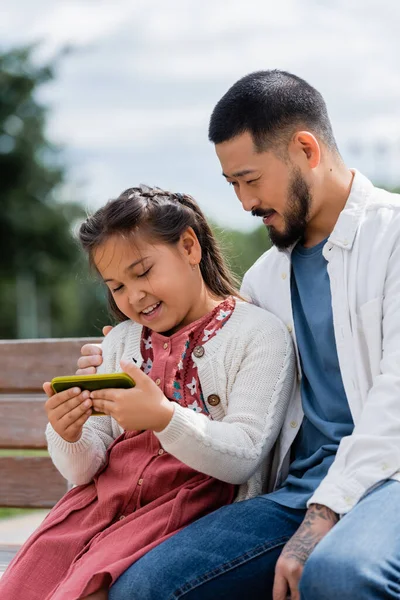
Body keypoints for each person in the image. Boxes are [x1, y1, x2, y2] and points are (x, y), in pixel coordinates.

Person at [79, 70, 400, 600]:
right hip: (291, 494)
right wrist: (121, 357)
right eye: (231, 184)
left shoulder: (390, 237)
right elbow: (215, 355)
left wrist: (326, 513)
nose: (244, 202)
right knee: (143, 590)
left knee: (338, 573)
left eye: (250, 180)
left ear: (305, 149)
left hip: (385, 477)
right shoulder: (265, 279)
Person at [0, 185, 295, 600]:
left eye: (142, 272)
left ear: (190, 247)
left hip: (183, 512)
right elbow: (84, 469)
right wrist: (68, 434)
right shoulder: (121, 341)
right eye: (117, 286)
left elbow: (244, 455)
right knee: (18, 588)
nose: (134, 297)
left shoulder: (257, 335)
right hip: (96, 510)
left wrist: (163, 417)